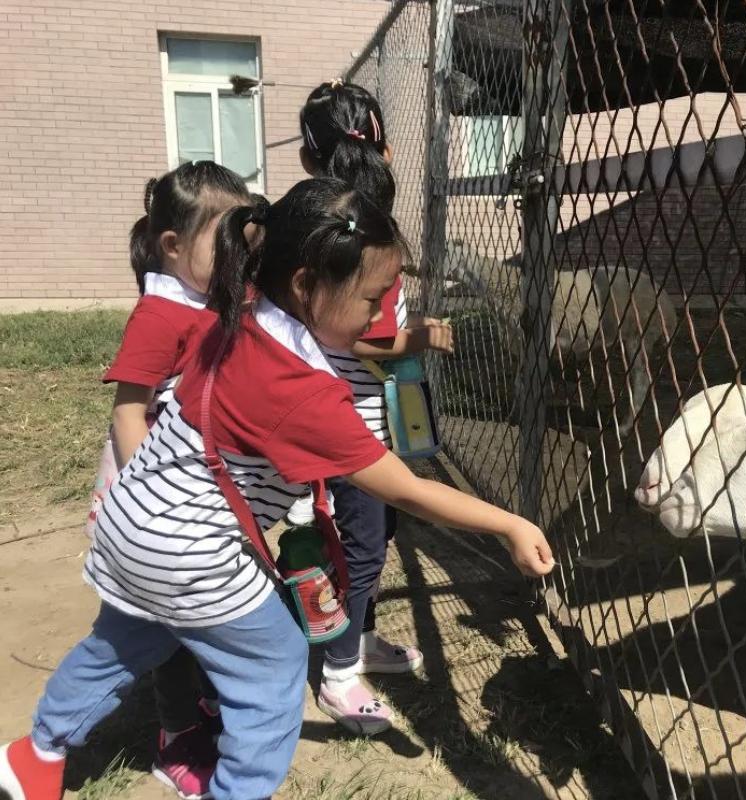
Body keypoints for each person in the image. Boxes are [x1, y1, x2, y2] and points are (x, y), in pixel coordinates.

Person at [0, 177, 554, 800]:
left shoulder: (241, 308)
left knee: (123, 643)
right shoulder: (302, 391)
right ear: (305, 285)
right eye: (371, 299)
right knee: (274, 664)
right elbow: (403, 488)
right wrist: (510, 523)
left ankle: (35, 756)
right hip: (190, 551)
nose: (379, 316)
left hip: (131, 519)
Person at [288, 79, 454, 735]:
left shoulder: (327, 223)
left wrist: (409, 331)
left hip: (371, 416)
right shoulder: (354, 230)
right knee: (358, 549)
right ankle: (337, 674)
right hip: (352, 427)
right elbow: (360, 339)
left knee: (373, 541)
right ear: (382, 144)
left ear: (310, 159)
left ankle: (355, 643)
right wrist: (419, 338)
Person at [86, 160, 253, 799]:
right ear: (174, 247)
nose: (240, 253)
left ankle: (201, 704)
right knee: (167, 620)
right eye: (226, 239)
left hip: (194, 486)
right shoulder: (162, 313)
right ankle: (175, 735)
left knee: (204, 607)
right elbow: (129, 410)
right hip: (154, 492)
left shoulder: (210, 301)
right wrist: (140, 495)